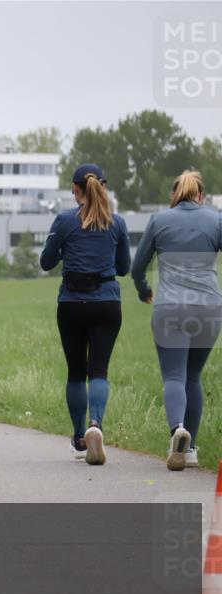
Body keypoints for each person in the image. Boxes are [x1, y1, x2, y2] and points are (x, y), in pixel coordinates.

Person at [40, 163, 130, 465]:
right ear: (102, 188)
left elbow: (46, 262)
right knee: (99, 371)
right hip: (106, 304)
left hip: (72, 305)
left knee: (77, 372)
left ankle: (80, 438)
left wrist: (65, 248)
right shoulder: (117, 223)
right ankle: (96, 425)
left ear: (75, 189)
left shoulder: (64, 221)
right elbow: (124, 268)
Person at [131, 170, 221, 471]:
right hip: (208, 309)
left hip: (170, 308)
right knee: (193, 377)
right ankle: (191, 448)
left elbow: (137, 267)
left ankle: (177, 430)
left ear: (174, 195)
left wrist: (145, 291)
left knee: (174, 376)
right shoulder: (215, 220)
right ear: (201, 195)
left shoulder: (159, 221)